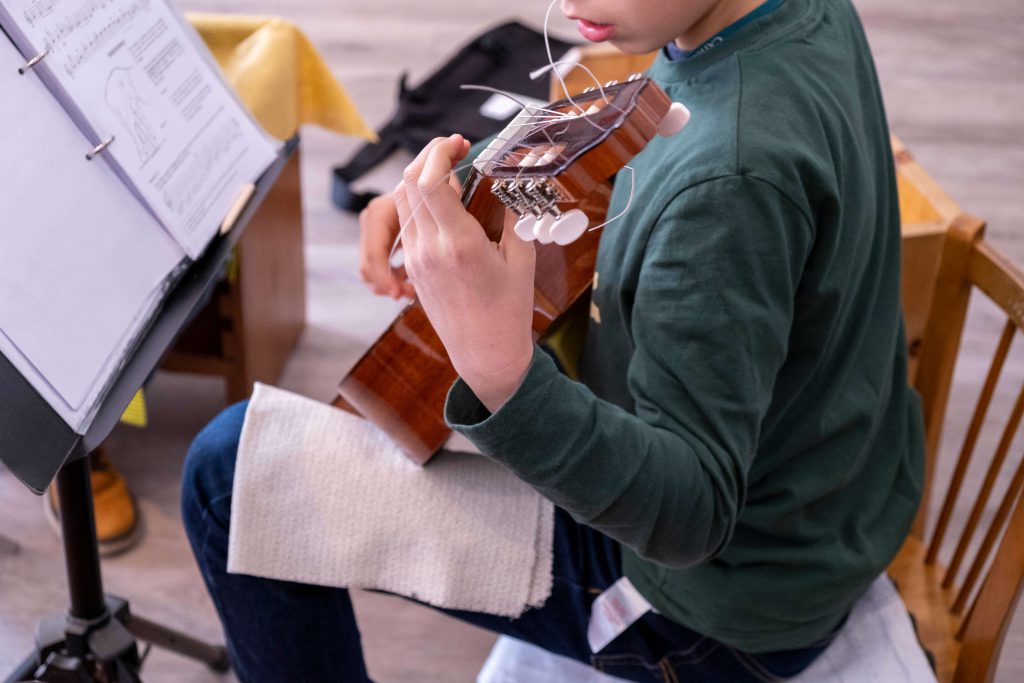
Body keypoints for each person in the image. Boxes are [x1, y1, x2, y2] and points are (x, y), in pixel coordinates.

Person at [181, 0, 925, 680]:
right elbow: (659, 146)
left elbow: (692, 514)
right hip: (834, 506)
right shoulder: (779, 21)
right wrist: (472, 182)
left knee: (228, 476)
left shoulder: (731, 178)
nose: (565, 4)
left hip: (720, 612)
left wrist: (503, 374)